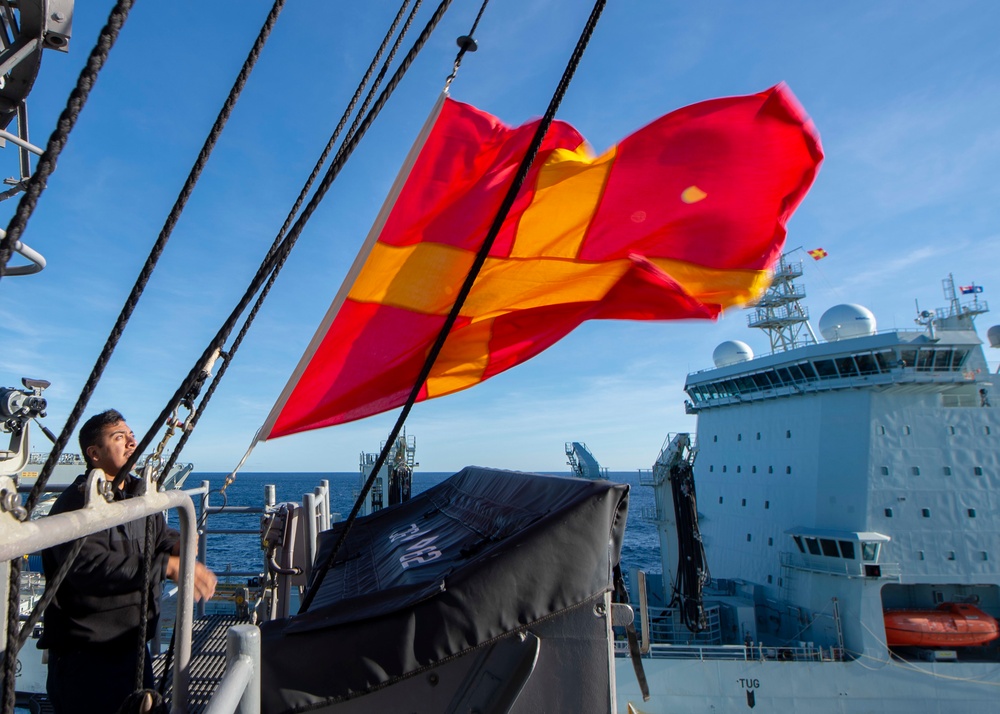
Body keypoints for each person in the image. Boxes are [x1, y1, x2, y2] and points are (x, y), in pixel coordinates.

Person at [40, 409, 217, 713]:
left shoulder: (134, 494)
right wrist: (167, 567)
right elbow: (89, 567)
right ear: (94, 453)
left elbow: (157, 534)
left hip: (132, 649)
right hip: (87, 661)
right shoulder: (75, 504)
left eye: (131, 436)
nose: (132, 443)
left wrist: (177, 544)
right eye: (119, 437)